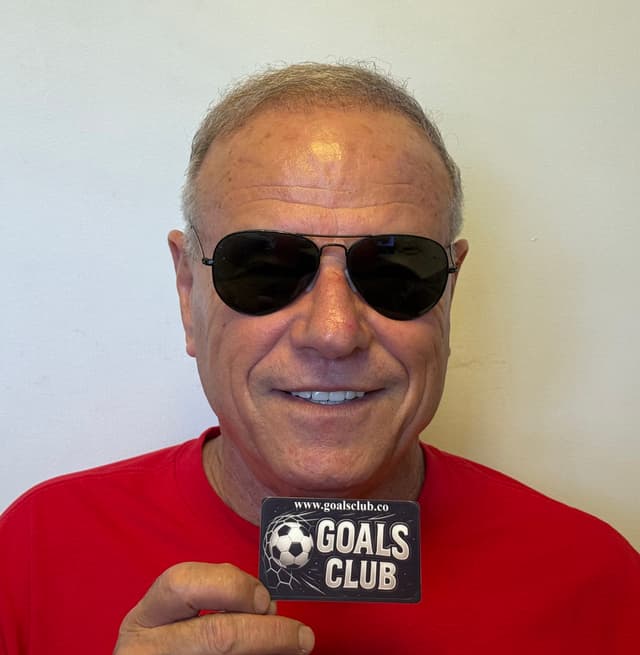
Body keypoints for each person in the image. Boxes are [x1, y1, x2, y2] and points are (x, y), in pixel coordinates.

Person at [0, 63, 638, 655]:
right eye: (267, 269)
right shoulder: (33, 553)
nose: (334, 333)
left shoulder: (597, 580)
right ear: (188, 292)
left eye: (394, 270)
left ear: (449, 293)